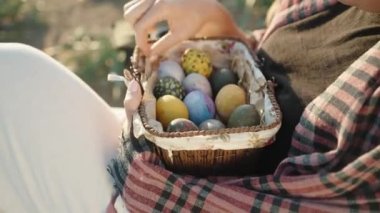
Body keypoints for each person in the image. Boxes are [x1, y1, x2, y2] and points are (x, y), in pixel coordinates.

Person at [0, 0, 378, 212]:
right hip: (166, 155)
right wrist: (224, 30)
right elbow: (263, 75)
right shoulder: (339, 7)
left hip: (186, 197)